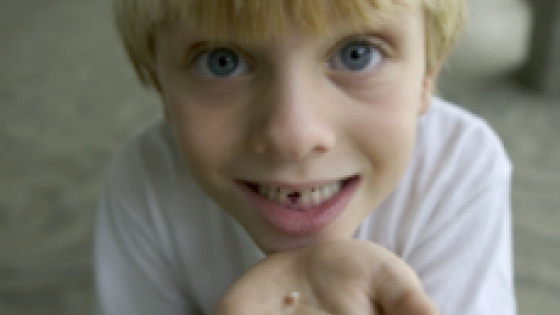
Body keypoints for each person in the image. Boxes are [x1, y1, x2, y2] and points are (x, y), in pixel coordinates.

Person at [95, 0, 516, 315]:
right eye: (221, 62)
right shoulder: (144, 178)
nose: (293, 137)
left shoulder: (460, 165)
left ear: (428, 75)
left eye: (358, 54)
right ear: (160, 85)